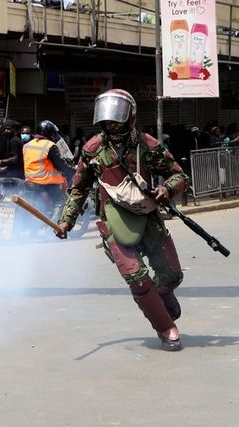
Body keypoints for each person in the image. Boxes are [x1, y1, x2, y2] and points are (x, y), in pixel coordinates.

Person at [55, 89, 190, 351]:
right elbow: (79, 189)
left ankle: (162, 296)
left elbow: (179, 175)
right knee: (137, 278)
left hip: (148, 218)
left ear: (131, 117)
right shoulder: (92, 150)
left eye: (117, 119)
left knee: (171, 275)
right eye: (107, 120)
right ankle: (165, 327)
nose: (112, 125)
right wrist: (66, 222)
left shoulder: (148, 145)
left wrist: (167, 189)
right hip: (114, 221)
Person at [23, 120, 71, 217]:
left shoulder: (27, 145)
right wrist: (72, 170)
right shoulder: (49, 146)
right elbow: (60, 164)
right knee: (61, 200)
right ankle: (53, 223)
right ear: (50, 133)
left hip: (30, 182)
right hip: (46, 183)